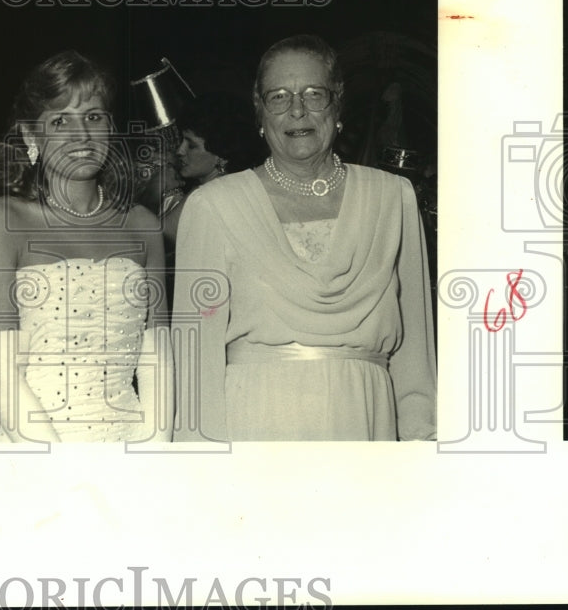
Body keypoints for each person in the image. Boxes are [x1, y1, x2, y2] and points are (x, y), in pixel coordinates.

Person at [173, 35, 436, 441]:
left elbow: (415, 352)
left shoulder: (392, 197)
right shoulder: (214, 206)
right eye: (278, 97)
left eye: (314, 94)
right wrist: (202, 468)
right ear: (260, 112)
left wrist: (422, 446)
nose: (297, 110)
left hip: (365, 421)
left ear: (337, 103)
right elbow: (196, 362)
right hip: (255, 424)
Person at [0, 50, 173, 443]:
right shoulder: (1, 221)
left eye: (94, 117)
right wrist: (60, 471)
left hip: (127, 447)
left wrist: (154, 457)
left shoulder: (143, 225)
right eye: (60, 120)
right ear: (31, 135)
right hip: (28, 451)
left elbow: (156, 363)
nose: (81, 135)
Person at [163, 92, 260, 246]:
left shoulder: (210, 195)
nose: (180, 151)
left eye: (192, 145)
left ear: (221, 154)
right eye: (182, 141)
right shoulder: (235, 186)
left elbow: (162, 236)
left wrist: (166, 192)